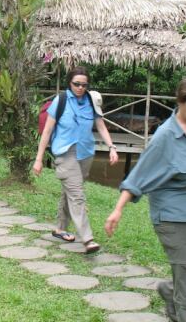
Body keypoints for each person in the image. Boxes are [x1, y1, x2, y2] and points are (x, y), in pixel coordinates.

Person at [104, 76, 186, 322]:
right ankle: (184, 310)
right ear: (180, 103)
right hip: (174, 214)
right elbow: (138, 176)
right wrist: (117, 210)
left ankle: (171, 293)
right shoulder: (165, 137)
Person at [33, 66, 119, 254]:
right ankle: (88, 239)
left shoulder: (91, 100)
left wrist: (112, 147)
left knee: (70, 191)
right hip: (65, 153)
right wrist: (39, 159)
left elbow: (101, 125)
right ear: (69, 83)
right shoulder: (61, 100)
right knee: (77, 195)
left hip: (85, 152)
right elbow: (47, 131)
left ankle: (60, 228)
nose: (80, 88)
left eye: (84, 85)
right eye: (76, 84)